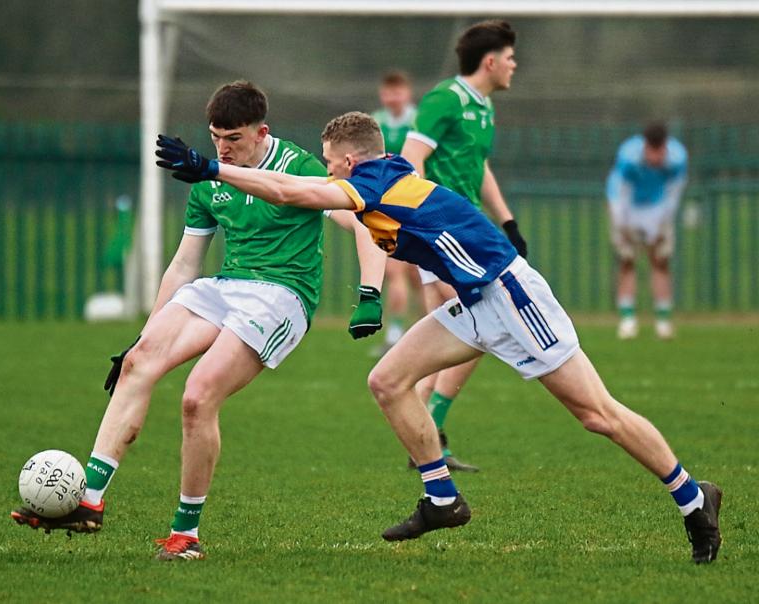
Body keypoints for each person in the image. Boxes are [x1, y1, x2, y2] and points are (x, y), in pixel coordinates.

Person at [154, 111, 723, 564]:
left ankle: (694, 500)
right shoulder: (381, 173)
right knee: (388, 379)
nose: (325, 173)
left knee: (598, 415)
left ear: (350, 161)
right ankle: (442, 500)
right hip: (474, 300)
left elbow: (290, 193)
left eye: (329, 165)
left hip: (513, 298)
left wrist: (211, 168)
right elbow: (289, 182)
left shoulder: (371, 185)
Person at [11, 81, 387, 561]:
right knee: (137, 363)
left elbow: (362, 222)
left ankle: (185, 534)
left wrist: (369, 292)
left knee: (196, 397)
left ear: (261, 132)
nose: (222, 148)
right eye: (216, 138)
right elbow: (186, 264)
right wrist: (144, 334)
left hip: (282, 296)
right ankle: (88, 503)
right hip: (226, 286)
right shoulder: (207, 177)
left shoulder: (298, 167)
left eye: (234, 138)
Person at [398, 19, 528, 472]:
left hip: (469, 232)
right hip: (445, 234)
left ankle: (423, 435)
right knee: (482, 323)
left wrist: (507, 220)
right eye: (510, 57)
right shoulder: (444, 99)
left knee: (453, 334)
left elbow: (479, 166)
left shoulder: (484, 106)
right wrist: (426, 222)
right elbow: (411, 161)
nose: (515, 65)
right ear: (490, 61)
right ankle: (429, 427)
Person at [606, 123, 688, 340]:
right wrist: (621, 225)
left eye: (659, 151)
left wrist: (663, 223)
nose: (655, 157)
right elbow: (619, 192)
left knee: (660, 260)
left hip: (657, 208)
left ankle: (663, 321)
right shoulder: (629, 156)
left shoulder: (678, 158)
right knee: (627, 260)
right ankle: (627, 320)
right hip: (628, 208)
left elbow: (674, 193)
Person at [371, 70, 421, 354]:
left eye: (398, 91)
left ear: (407, 93)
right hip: (385, 206)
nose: (393, 97)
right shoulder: (375, 123)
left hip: (412, 204)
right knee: (397, 273)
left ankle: (405, 333)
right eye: (388, 92)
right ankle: (396, 334)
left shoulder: (418, 122)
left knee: (416, 277)